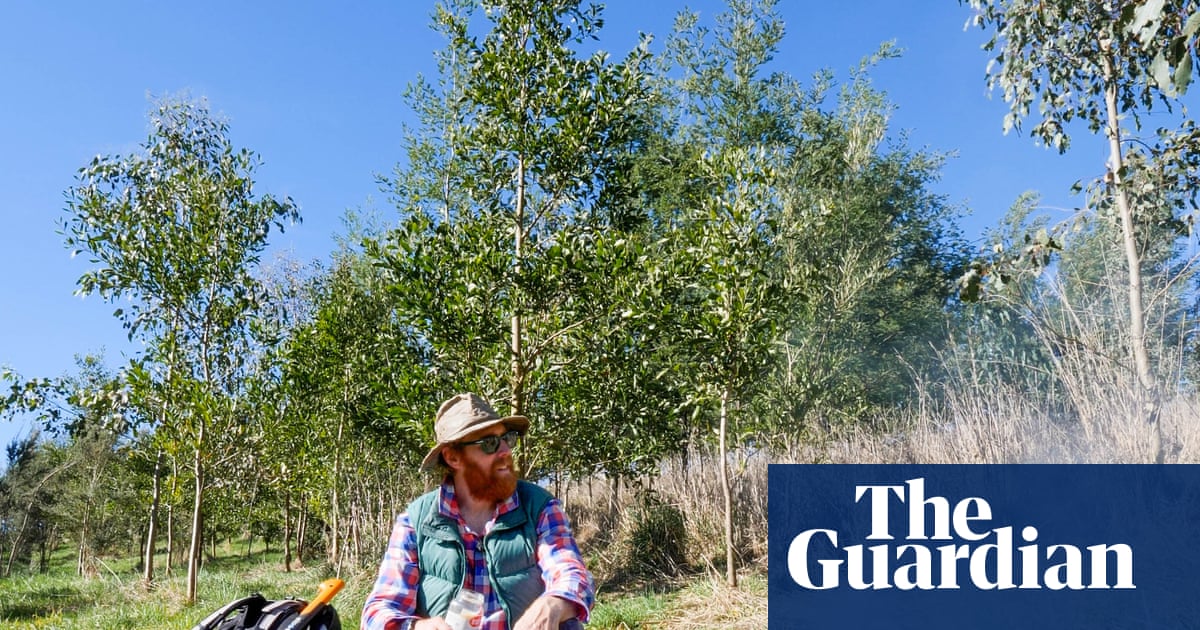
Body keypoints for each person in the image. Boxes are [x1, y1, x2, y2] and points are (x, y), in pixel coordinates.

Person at [361, 393, 595, 630]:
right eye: (490, 443)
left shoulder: (540, 508)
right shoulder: (415, 522)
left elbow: (573, 576)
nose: (505, 450)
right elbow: (378, 612)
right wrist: (416, 627)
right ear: (453, 457)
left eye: (507, 438)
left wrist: (553, 605)